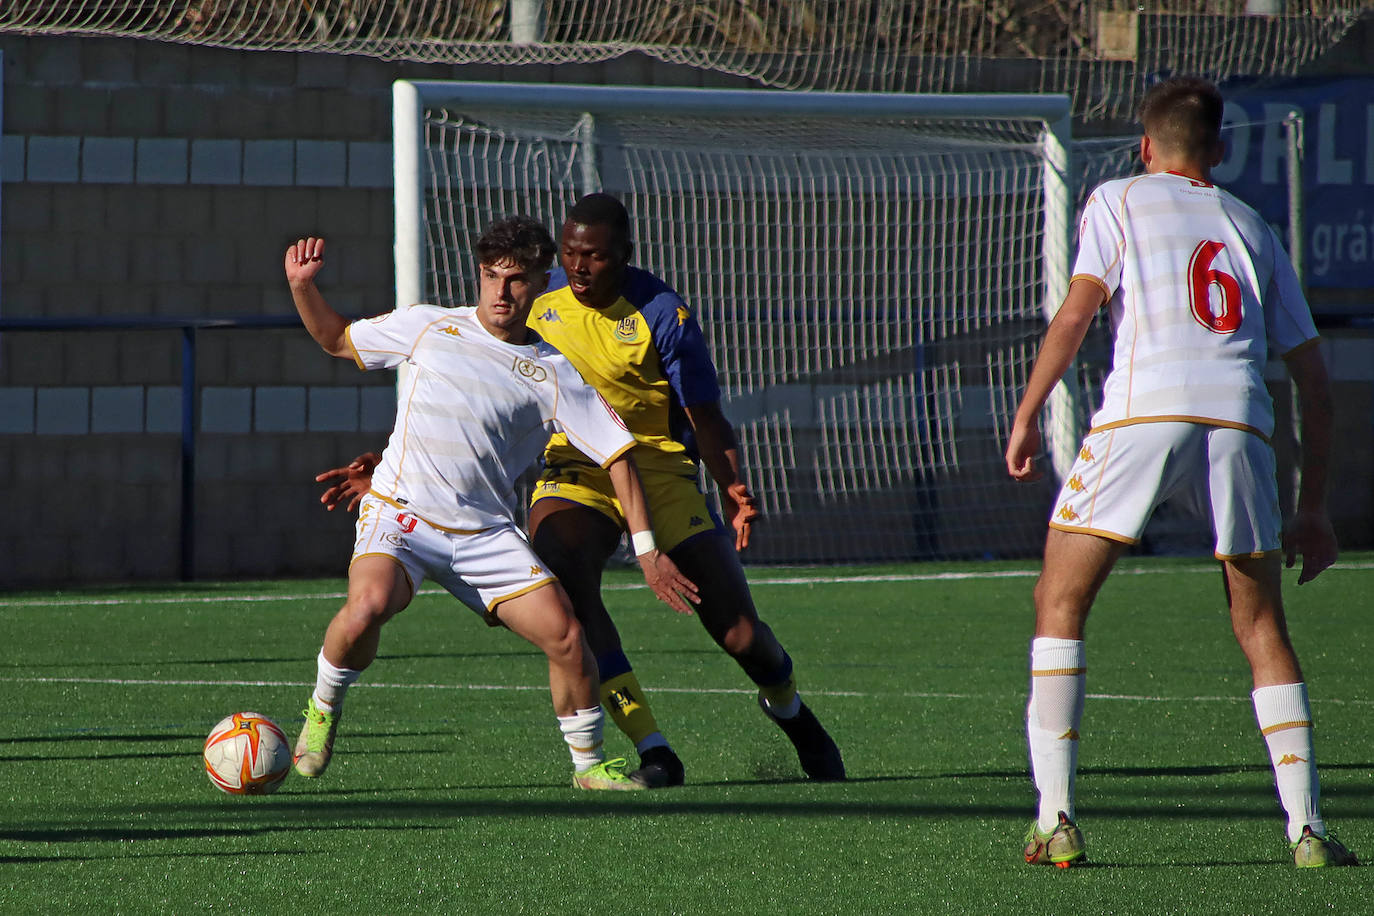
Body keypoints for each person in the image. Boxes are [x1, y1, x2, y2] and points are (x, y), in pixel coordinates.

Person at [320, 194, 845, 787]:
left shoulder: (661, 313)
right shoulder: (530, 307)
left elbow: (704, 413)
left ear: (623, 255)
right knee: (566, 576)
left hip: (659, 473)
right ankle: (651, 748)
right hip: (574, 469)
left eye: (593, 256)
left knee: (739, 633)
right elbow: (460, 392)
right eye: (570, 254)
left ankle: (792, 711)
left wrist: (732, 487)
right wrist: (393, 464)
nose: (579, 267)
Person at [1004, 76, 1356, 868]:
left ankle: (1056, 818)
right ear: (1219, 153)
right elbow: (1317, 388)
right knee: (1261, 626)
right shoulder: (1254, 226)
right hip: (1239, 418)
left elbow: (1077, 312)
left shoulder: (1118, 199)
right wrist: (1315, 508)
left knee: (1059, 598)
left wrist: (1028, 414)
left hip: (1143, 412)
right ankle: (1309, 831)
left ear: (1144, 148)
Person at [284, 217, 698, 792]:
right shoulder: (429, 326)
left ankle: (590, 769)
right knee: (369, 605)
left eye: (517, 279)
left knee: (567, 636)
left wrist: (648, 550)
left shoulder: (554, 372)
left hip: (483, 536)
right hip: (402, 515)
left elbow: (619, 456)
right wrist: (303, 287)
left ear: (541, 281)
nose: (501, 292)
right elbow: (336, 340)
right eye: (490, 276)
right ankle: (322, 712)